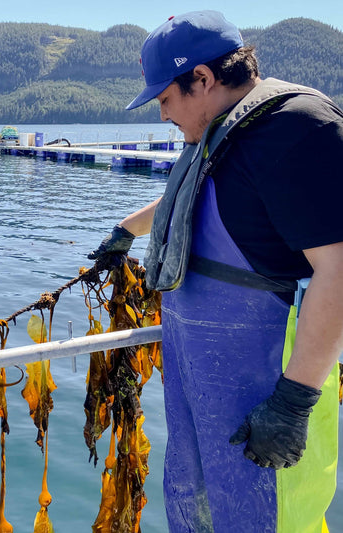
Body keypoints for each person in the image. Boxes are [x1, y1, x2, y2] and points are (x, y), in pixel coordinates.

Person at [88, 10, 343, 533]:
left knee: (275, 517)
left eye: (164, 100)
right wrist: (125, 232)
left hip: (267, 384)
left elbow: (337, 269)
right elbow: (192, 199)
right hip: (203, 384)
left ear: (202, 79)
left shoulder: (296, 129)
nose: (162, 115)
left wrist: (294, 402)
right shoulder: (219, 131)